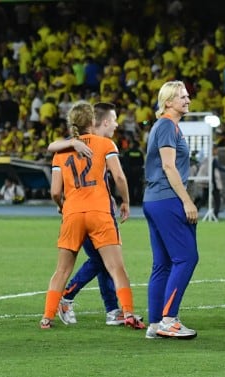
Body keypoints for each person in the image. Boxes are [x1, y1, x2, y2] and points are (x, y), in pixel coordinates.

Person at [40, 101, 143, 331]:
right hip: (99, 212)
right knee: (116, 267)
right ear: (93, 121)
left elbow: (55, 191)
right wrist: (126, 201)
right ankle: (127, 313)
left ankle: (47, 317)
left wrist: (61, 206)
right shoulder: (105, 144)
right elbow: (119, 177)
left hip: (73, 213)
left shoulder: (61, 152)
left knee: (62, 270)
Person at [143, 80, 200, 340]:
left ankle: (156, 322)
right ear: (168, 102)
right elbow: (169, 166)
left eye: (187, 96)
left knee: (162, 264)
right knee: (187, 257)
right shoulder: (167, 125)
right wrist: (186, 200)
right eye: (182, 96)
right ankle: (169, 319)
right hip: (167, 199)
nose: (187, 100)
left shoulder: (165, 126)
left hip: (154, 199)